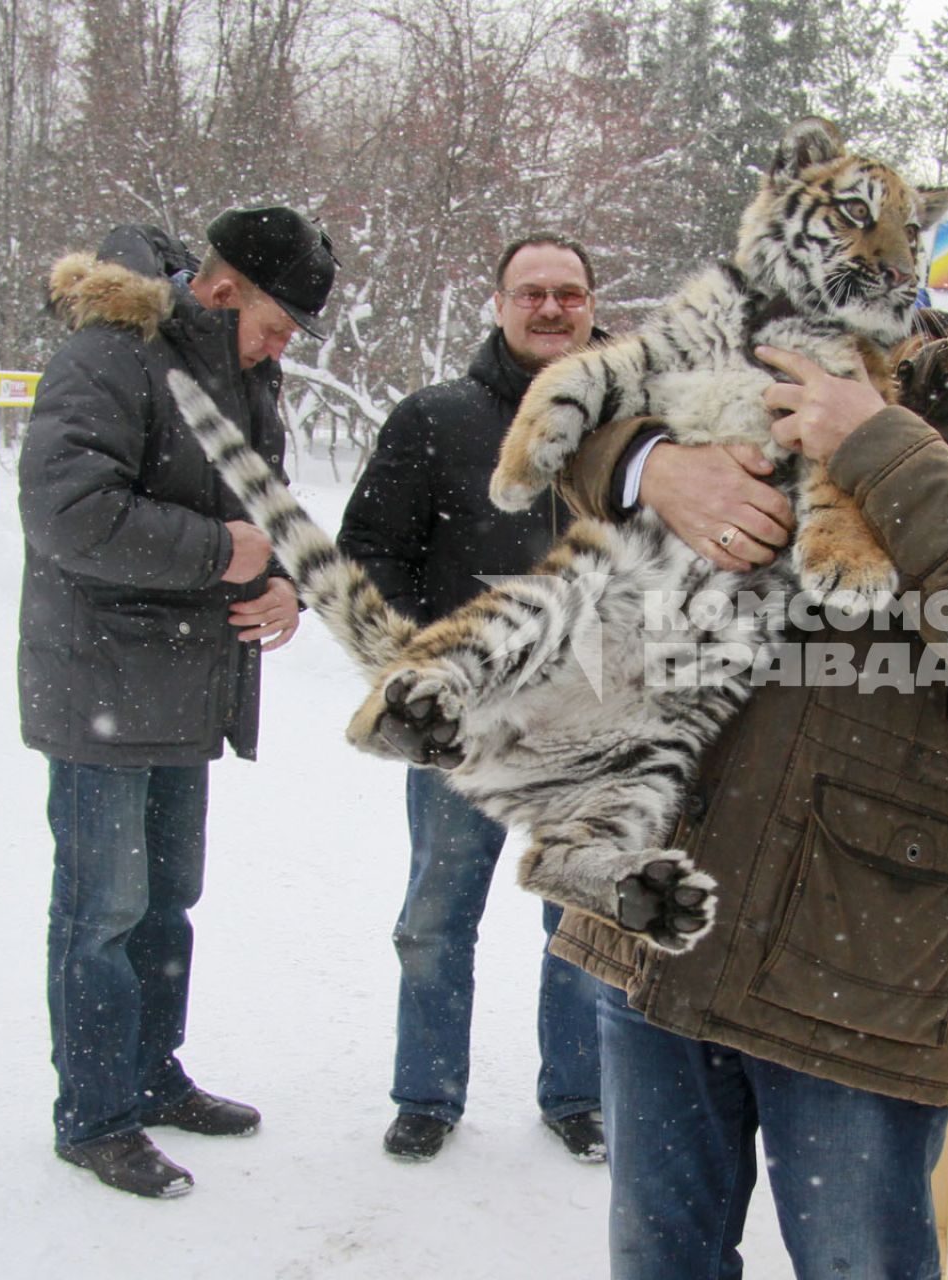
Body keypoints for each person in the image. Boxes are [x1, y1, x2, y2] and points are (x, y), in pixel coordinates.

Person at [547, 243, 948, 1279]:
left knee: (858, 1265)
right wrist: (654, 465)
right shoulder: (819, 383)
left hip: (859, 971)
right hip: (670, 920)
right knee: (656, 1255)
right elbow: (572, 422)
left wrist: (875, 442)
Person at [19, 205, 338, 1197]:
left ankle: (151, 1074)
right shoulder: (113, 355)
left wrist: (279, 576)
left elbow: (260, 505)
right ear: (224, 284)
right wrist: (219, 553)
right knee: (102, 908)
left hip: (185, 688)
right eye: (279, 323)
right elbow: (69, 513)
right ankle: (96, 1113)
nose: (286, 347)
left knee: (165, 904)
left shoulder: (243, 376)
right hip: (103, 684)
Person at [337, 233, 611, 1164]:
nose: (550, 309)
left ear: (591, 302)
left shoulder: (637, 428)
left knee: (581, 917)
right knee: (437, 916)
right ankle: (427, 1095)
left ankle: (578, 1094)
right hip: (466, 728)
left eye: (567, 293)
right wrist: (423, 670)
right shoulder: (434, 419)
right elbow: (369, 552)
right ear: (497, 304)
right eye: (530, 292)